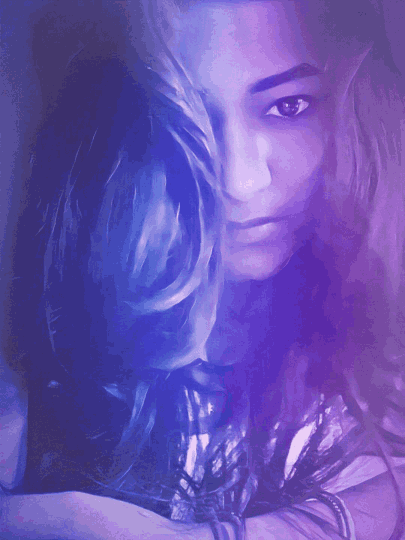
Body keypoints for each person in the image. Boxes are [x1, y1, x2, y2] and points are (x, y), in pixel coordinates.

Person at [1, 0, 405, 539]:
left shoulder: (385, 341)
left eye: (289, 106)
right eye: (181, 118)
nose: (240, 181)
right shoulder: (36, 366)